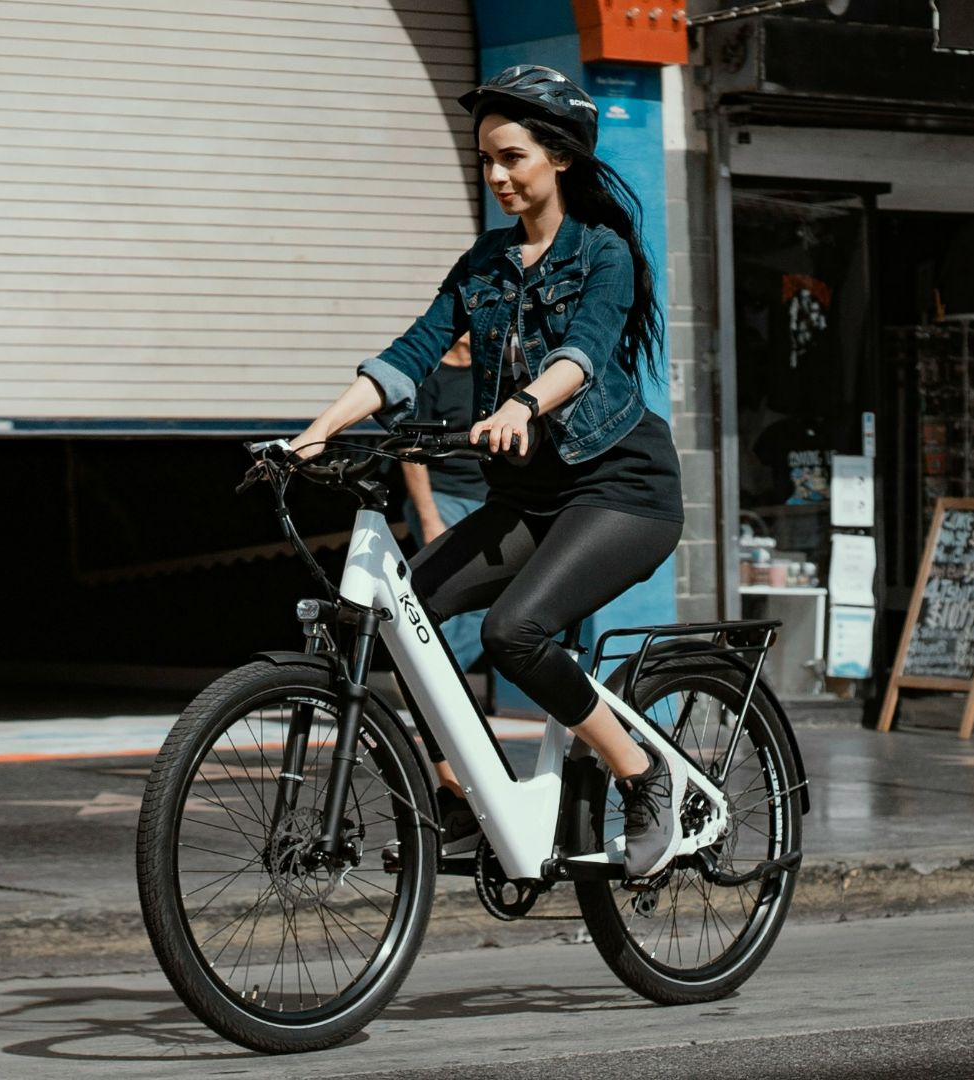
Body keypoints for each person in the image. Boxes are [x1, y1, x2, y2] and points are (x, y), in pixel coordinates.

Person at [292, 66, 685, 877]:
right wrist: (316, 430)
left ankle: (645, 777)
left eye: (513, 158)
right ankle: (462, 798)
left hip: (620, 492)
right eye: (488, 162)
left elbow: (584, 352)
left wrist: (523, 406)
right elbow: (410, 354)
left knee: (514, 633)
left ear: (560, 157)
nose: (499, 177)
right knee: (404, 618)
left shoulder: (603, 253)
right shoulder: (484, 263)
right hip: (530, 499)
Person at [400, 332, 488, 675]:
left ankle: (434, 679)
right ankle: (424, 678)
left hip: (485, 498)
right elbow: (410, 451)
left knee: (485, 601)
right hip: (442, 497)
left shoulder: (487, 372)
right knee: (443, 591)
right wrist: (429, 517)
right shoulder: (430, 378)